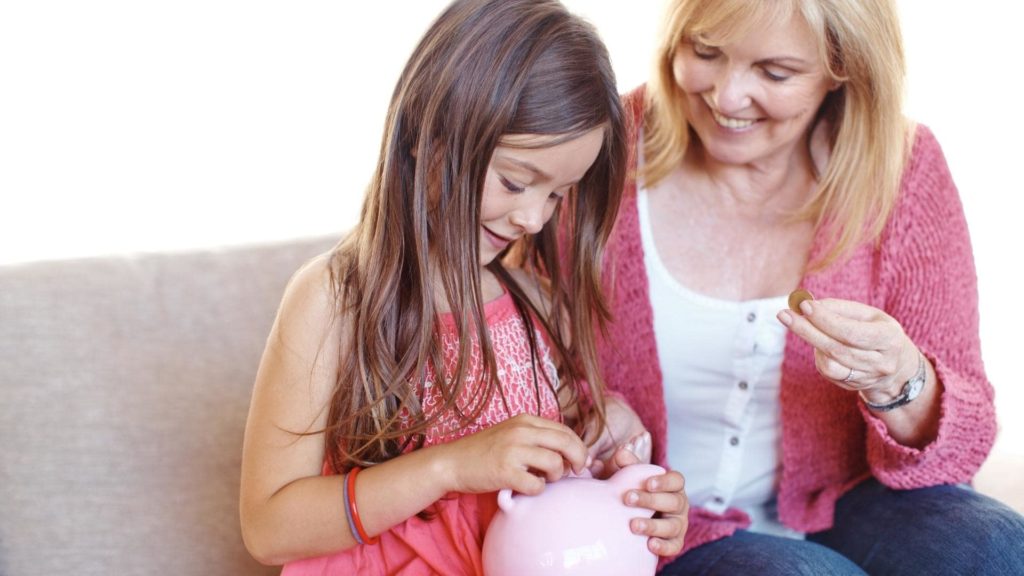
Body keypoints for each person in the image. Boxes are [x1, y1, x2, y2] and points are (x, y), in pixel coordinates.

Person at [238, 0, 688, 573]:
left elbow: (560, 473)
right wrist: (451, 467)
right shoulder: (335, 298)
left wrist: (616, 465)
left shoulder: (534, 303)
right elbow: (268, 527)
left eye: (557, 194)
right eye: (515, 181)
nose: (534, 219)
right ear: (431, 135)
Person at [589, 0, 1024, 574]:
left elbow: (962, 448)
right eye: (706, 52)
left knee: (997, 545)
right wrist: (593, 412)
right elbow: (512, 340)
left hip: (845, 501)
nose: (726, 96)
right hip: (664, 523)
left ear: (842, 69)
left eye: (775, 72)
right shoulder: (600, 149)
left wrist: (900, 380)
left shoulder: (903, 169)